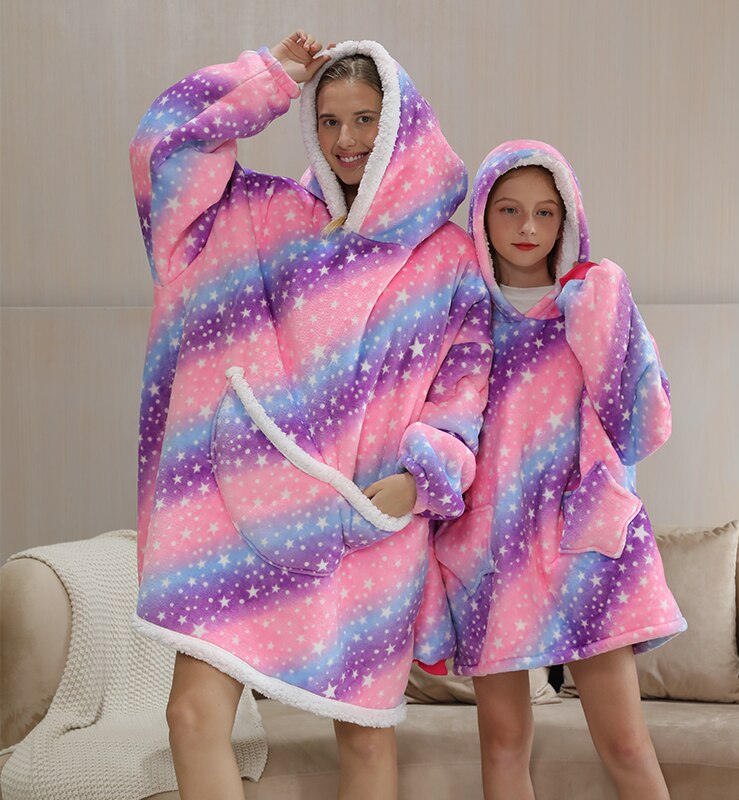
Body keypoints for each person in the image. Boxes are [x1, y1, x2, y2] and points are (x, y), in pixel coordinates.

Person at [129, 31, 491, 800]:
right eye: (329, 120)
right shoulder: (272, 218)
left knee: (362, 736)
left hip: (366, 520)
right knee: (191, 716)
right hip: (246, 509)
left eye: (364, 119)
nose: (346, 139)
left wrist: (422, 475)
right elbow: (170, 150)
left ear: (400, 123)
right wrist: (272, 78)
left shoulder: (449, 258)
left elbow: (465, 394)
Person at [433, 140, 687, 800]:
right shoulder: (461, 312)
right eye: (509, 210)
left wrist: (600, 314)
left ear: (567, 218)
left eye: (545, 212)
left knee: (626, 742)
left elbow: (642, 427)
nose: (527, 227)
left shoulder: (594, 296)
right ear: (481, 215)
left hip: (585, 544)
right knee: (503, 742)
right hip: (492, 549)